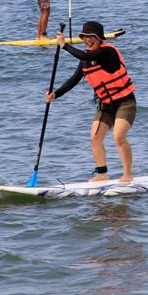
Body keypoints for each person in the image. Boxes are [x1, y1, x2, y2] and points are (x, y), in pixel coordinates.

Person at [45, 20, 136, 182]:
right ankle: (102, 174)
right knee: (95, 138)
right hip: (106, 104)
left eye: (91, 36)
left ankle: (128, 174)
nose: (88, 40)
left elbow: (85, 54)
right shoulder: (85, 59)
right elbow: (73, 80)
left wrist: (64, 45)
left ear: (99, 37)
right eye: (85, 37)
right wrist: (55, 94)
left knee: (118, 137)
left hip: (125, 102)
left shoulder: (107, 52)